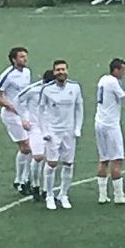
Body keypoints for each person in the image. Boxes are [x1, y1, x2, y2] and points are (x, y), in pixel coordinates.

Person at [36, 60, 83, 210]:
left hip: (69, 132)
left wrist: (78, 128)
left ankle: (63, 194)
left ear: (67, 70)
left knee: (68, 163)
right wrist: (45, 131)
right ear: (54, 72)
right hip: (53, 132)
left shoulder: (75, 87)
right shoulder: (47, 90)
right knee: (52, 164)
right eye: (58, 70)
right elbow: (40, 110)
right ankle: (49, 195)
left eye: (63, 69)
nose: (61, 72)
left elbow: (79, 108)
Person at [93, 58, 125, 205]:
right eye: (122, 70)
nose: (124, 73)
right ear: (116, 70)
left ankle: (102, 195)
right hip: (110, 125)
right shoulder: (113, 82)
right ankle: (119, 196)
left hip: (99, 122)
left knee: (103, 158)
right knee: (117, 159)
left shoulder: (103, 79)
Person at [0, 46, 34, 195]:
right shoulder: (7, 75)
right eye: (21, 57)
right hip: (11, 116)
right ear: (14, 59)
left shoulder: (27, 72)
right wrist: (11, 106)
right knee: (26, 147)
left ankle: (24, 179)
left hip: (25, 113)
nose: (25, 59)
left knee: (31, 147)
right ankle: (20, 180)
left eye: (25, 56)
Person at [16, 68, 56, 202]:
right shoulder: (33, 90)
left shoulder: (59, 91)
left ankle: (47, 191)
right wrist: (23, 118)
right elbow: (17, 100)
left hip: (52, 128)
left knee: (51, 160)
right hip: (36, 128)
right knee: (38, 157)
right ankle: (35, 186)